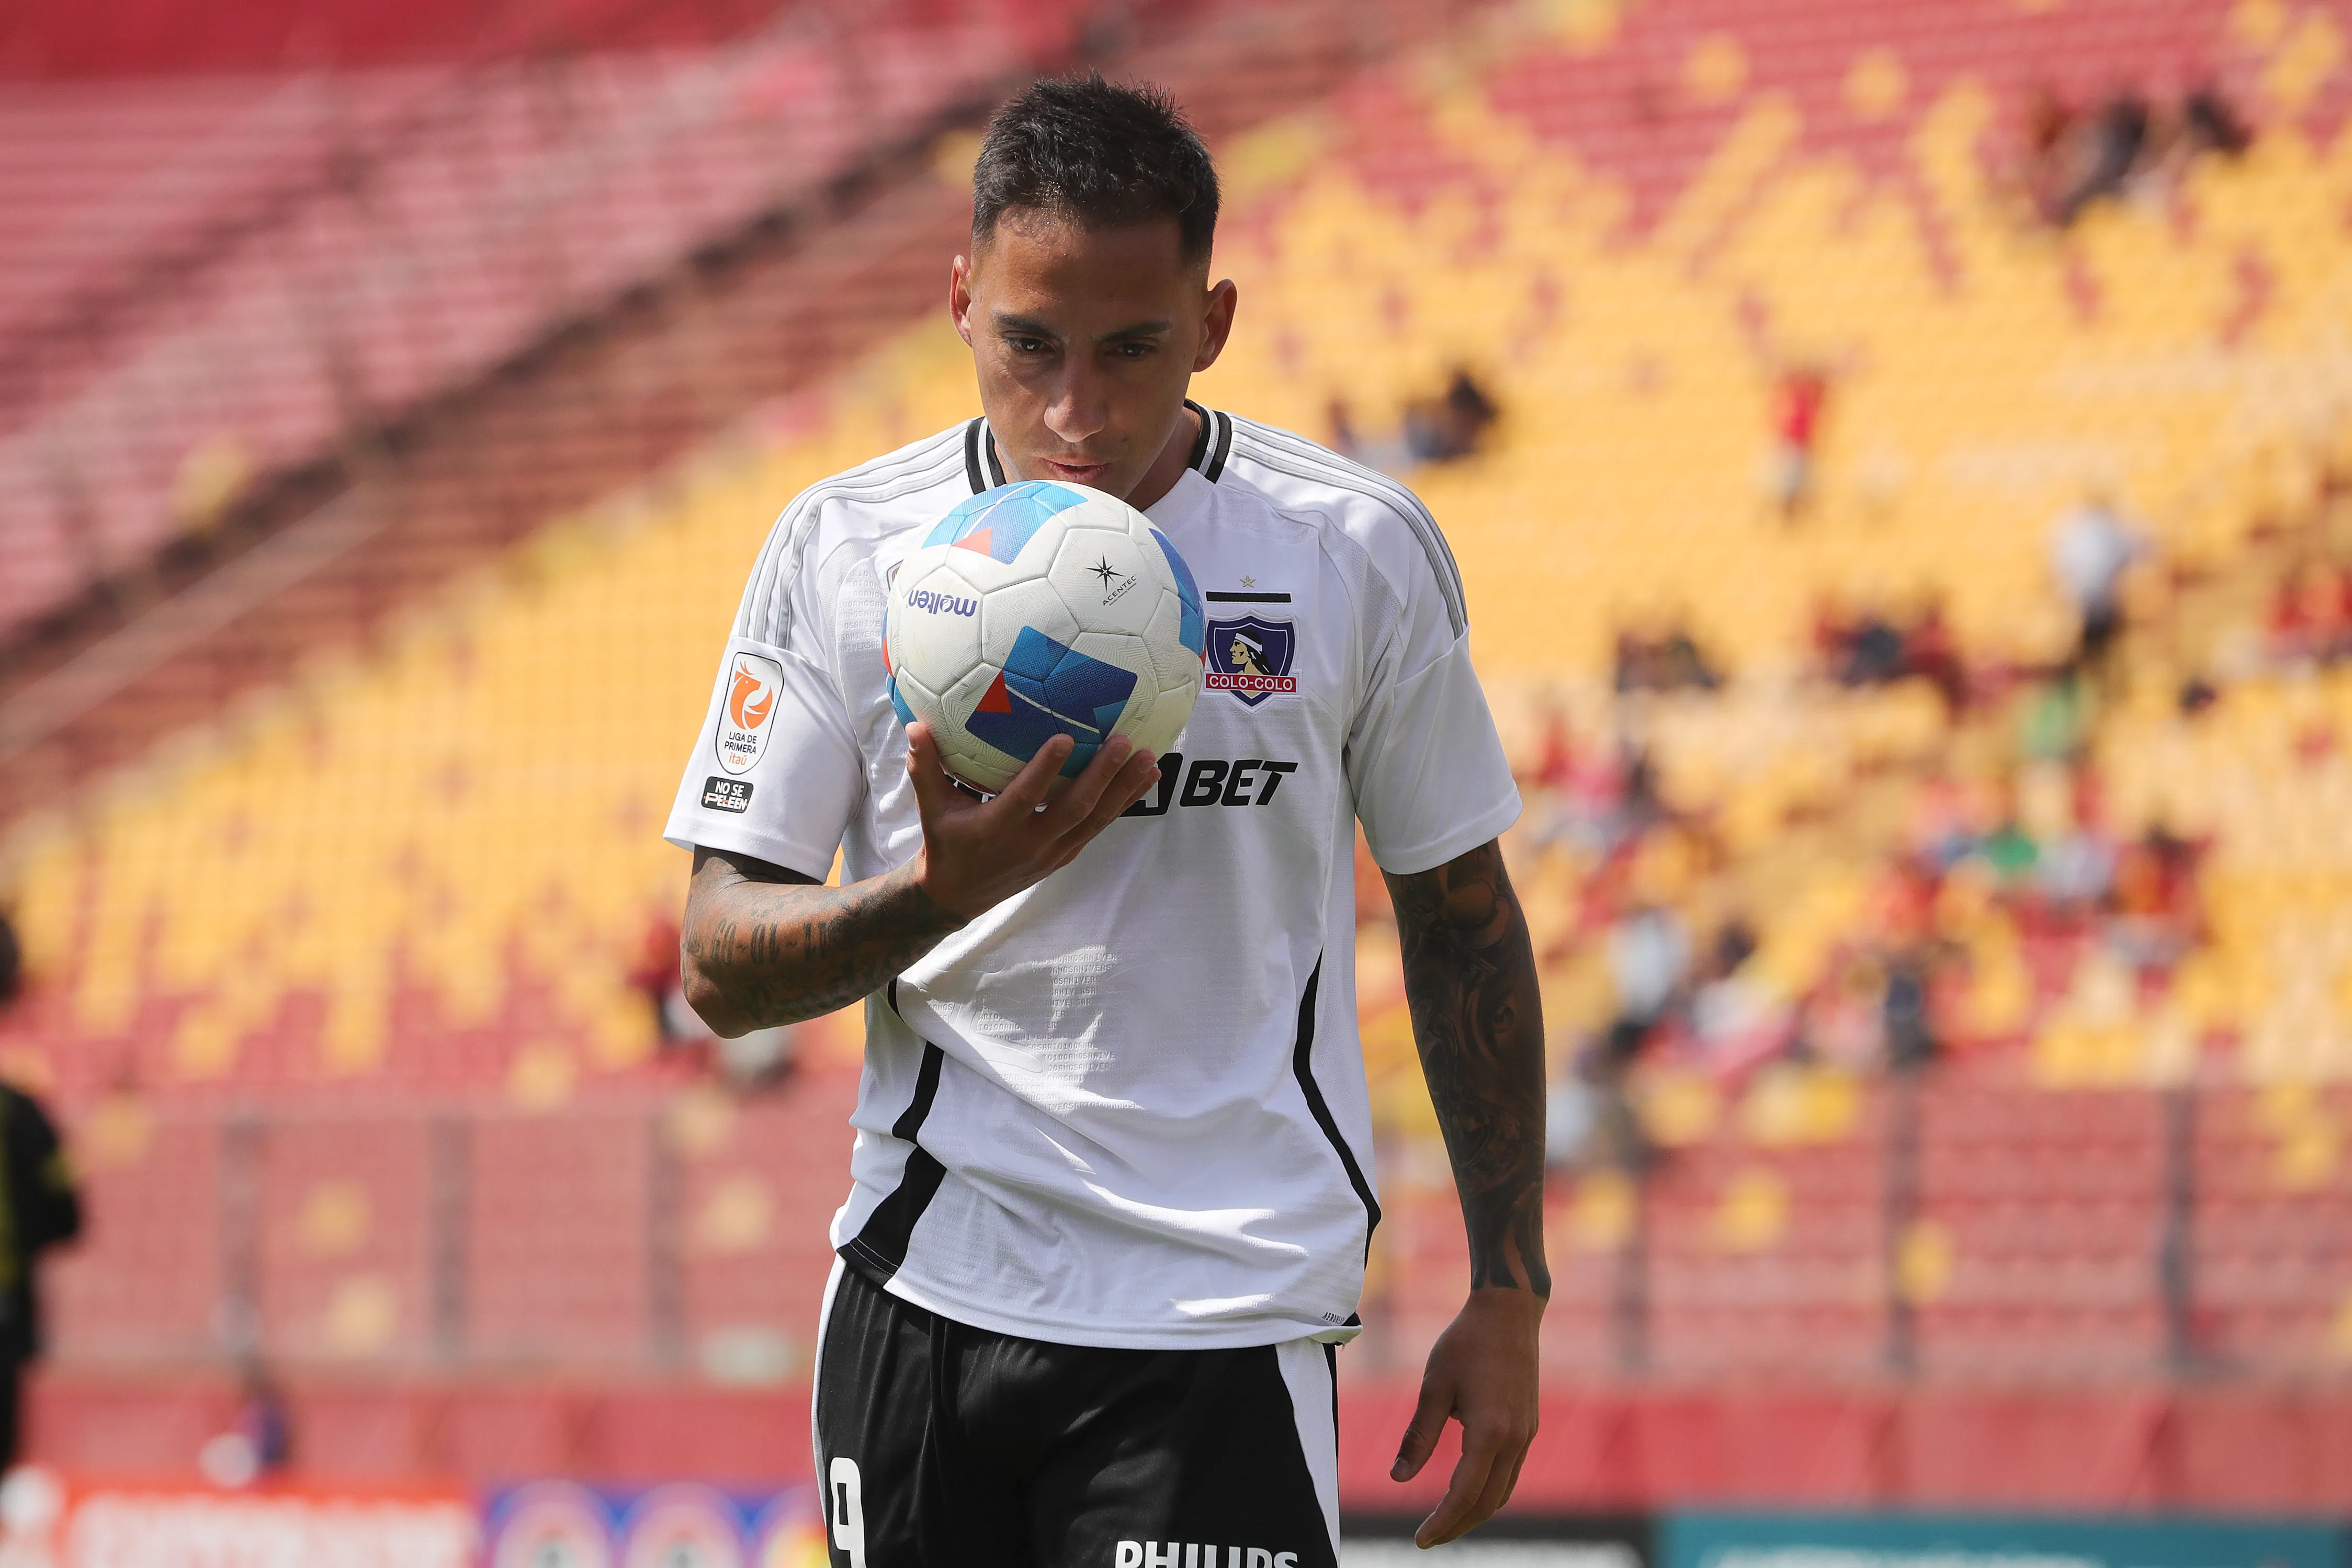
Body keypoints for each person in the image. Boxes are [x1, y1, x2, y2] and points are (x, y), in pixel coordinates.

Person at [663, 77, 1544, 1567]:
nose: (1075, 410)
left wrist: (1509, 1289)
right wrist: (938, 894)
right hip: (922, 1302)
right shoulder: (842, 547)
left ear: (1212, 322)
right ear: (961, 304)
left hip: (1217, 1319)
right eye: (1030, 343)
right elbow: (719, 960)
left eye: (1131, 348)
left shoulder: (1351, 555)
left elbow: (1464, 918)